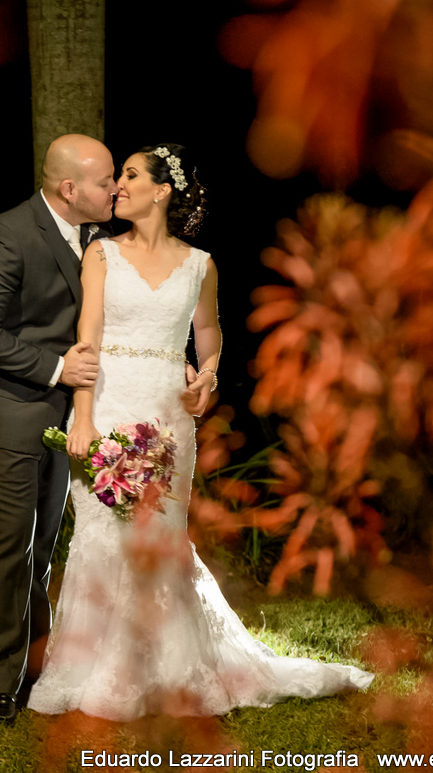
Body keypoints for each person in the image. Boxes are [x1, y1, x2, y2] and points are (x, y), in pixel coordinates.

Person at [26, 143, 374, 721]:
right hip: (108, 403)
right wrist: (82, 416)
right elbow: (86, 340)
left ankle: (169, 670)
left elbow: (209, 333)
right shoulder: (101, 254)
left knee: (160, 539)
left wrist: (207, 377)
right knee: (102, 538)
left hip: (168, 416)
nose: (118, 186)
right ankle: (95, 670)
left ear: (162, 191)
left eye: (129, 175)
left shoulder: (201, 265)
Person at [0, 134, 118, 726]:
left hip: (59, 418)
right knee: (9, 550)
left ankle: (38, 666)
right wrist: (55, 369)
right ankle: (1, 684)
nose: (115, 189)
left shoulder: (97, 240)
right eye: (104, 181)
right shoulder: (7, 235)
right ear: (69, 189)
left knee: (42, 549)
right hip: (5, 413)